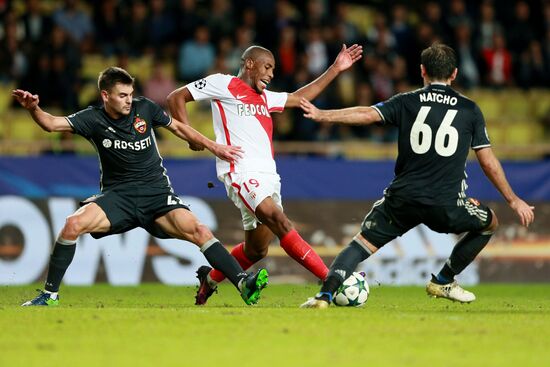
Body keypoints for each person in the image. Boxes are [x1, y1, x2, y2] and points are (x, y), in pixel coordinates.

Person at [299, 44, 535, 308]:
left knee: (360, 244)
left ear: (422, 70)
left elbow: (367, 113)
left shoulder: (406, 101)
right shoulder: (470, 110)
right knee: (489, 223)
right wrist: (514, 200)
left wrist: (322, 114)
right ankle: (444, 279)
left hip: (403, 200)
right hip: (446, 205)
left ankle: (324, 295)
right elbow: (488, 161)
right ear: (454, 74)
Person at [12, 67, 269, 306]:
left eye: (131, 94)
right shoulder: (92, 119)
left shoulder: (144, 109)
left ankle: (243, 283)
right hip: (119, 196)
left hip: (156, 194)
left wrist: (215, 147)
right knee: (72, 225)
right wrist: (33, 109)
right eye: (122, 95)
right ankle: (49, 295)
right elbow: (51, 124)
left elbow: (179, 127)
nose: (128, 100)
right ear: (105, 95)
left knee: (199, 230)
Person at [167, 44, 363, 305]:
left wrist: (335, 69)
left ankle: (210, 280)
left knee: (256, 249)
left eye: (273, 69)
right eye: (267, 67)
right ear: (249, 64)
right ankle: (331, 283)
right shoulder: (223, 83)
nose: (271, 74)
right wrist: (192, 138)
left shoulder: (266, 97)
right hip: (240, 171)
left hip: (269, 175)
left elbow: (300, 97)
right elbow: (175, 98)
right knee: (280, 221)